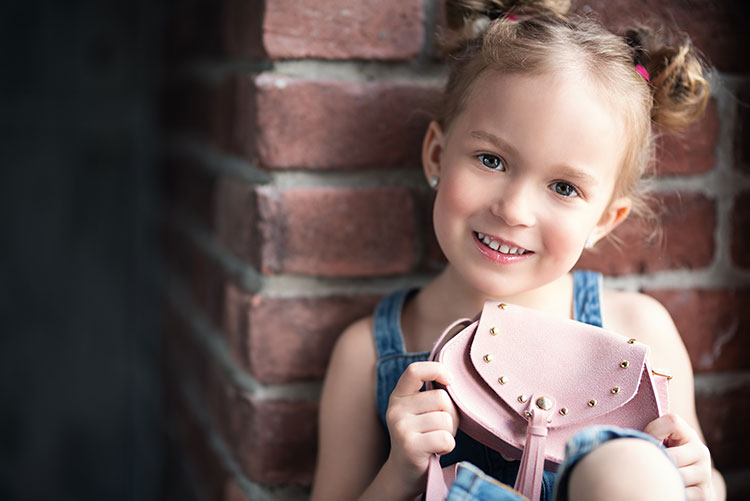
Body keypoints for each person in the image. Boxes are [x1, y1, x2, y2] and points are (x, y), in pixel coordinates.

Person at [311, 1, 726, 499]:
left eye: (565, 188)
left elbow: (702, 484)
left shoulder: (640, 334)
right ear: (437, 155)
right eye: (492, 159)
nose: (515, 210)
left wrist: (699, 485)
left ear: (603, 221)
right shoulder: (367, 354)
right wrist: (400, 470)